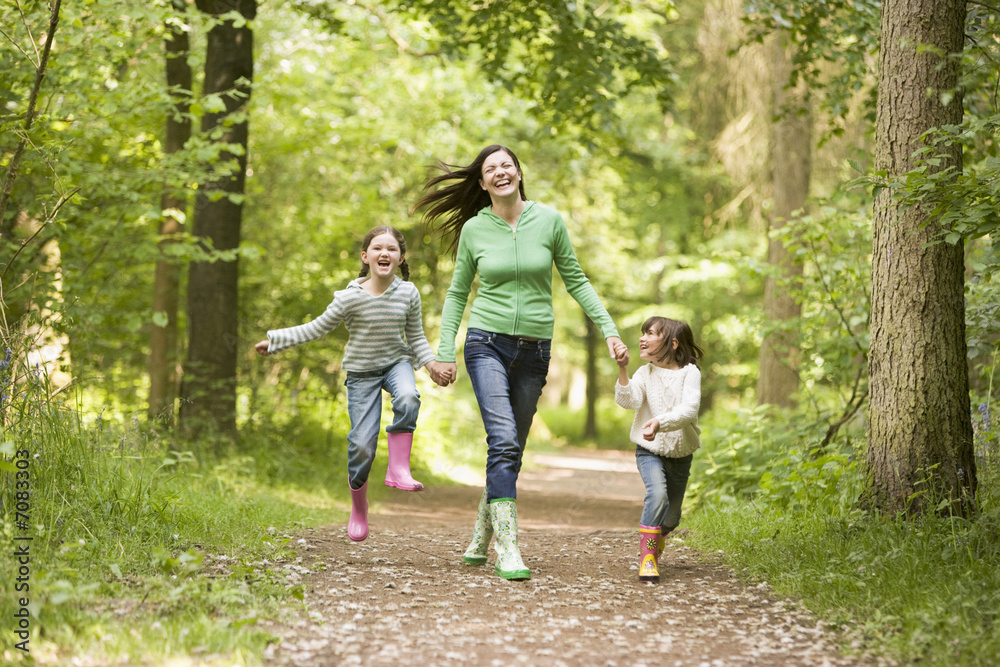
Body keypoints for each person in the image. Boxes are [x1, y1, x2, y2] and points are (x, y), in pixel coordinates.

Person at [415, 144, 628, 580]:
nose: (499, 173)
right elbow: (457, 293)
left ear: (518, 173)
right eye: (490, 169)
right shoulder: (476, 229)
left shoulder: (548, 220)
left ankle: (481, 532)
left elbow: (576, 278)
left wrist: (609, 329)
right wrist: (443, 352)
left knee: (511, 449)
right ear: (481, 183)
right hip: (485, 343)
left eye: (506, 166)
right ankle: (508, 549)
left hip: (535, 349)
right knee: (504, 439)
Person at [255, 225, 452, 543]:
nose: (384, 253)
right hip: (361, 373)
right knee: (362, 446)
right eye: (377, 248)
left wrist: (430, 366)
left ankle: (398, 469)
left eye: (391, 248)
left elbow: (415, 337)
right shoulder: (349, 297)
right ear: (366, 256)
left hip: (396, 364)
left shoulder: (408, 293)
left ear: (400, 258)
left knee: (408, 397)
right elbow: (315, 328)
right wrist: (275, 341)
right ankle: (359, 508)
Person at [614, 316, 704, 582]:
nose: (642, 338)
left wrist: (660, 422)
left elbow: (689, 410)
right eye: (643, 332)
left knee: (672, 518)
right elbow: (628, 401)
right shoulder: (645, 372)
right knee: (658, 495)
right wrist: (622, 371)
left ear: (673, 343)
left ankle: (658, 536)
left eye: (650, 333)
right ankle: (648, 558)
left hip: (680, 455)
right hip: (648, 450)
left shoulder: (690, 373)